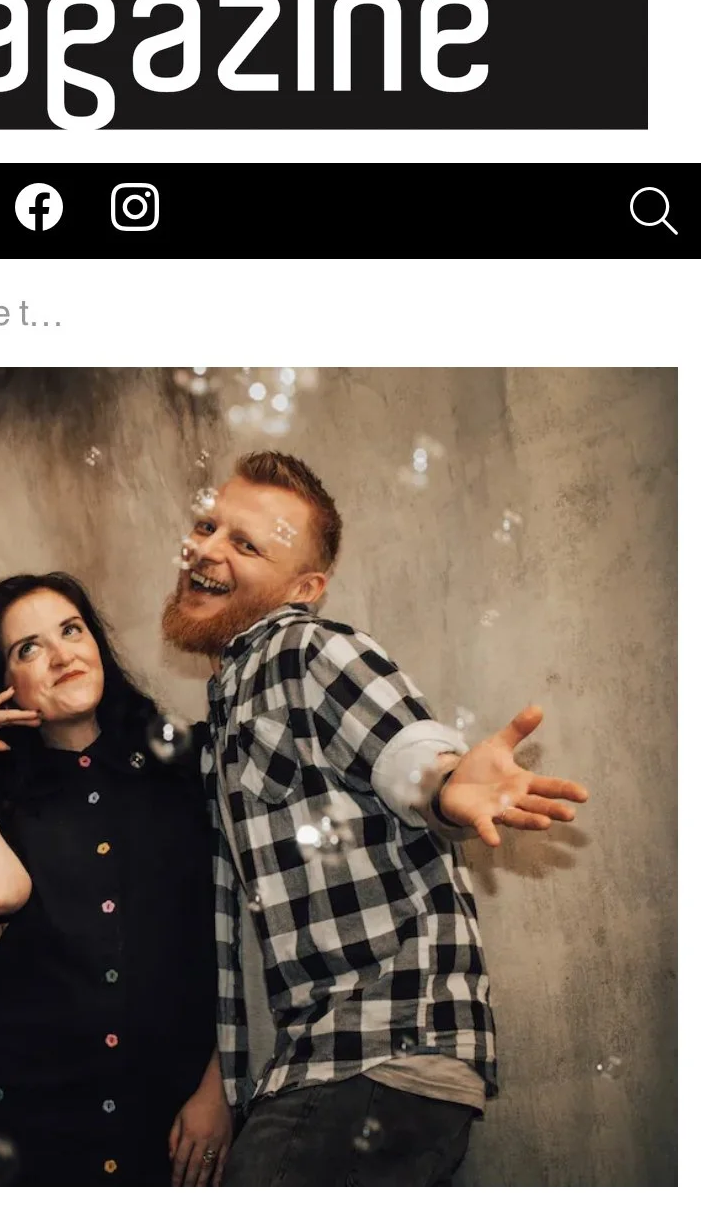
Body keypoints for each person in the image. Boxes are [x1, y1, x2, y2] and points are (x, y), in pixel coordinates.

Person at [163, 449, 589, 1186]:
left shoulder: (304, 648)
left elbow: (407, 749)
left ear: (305, 588)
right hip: (325, 1061)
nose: (206, 550)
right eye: (207, 526)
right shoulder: (228, 709)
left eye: (245, 543)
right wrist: (222, 1086)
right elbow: (231, 926)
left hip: (381, 1051)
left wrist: (449, 783)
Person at [0, 573, 230, 1186]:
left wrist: (218, 1088)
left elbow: (235, 934)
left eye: (71, 630)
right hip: (30, 1096)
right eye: (28, 648)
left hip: (172, 1093)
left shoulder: (189, 759)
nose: (62, 655)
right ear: (4, 683)